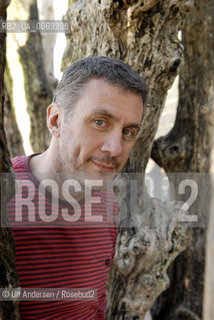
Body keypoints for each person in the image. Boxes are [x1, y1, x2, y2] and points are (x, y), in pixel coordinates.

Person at [7, 56, 147, 319]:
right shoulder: (8, 195)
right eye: (99, 122)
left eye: (128, 132)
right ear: (56, 121)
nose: (115, 149)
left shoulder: (108, 202)